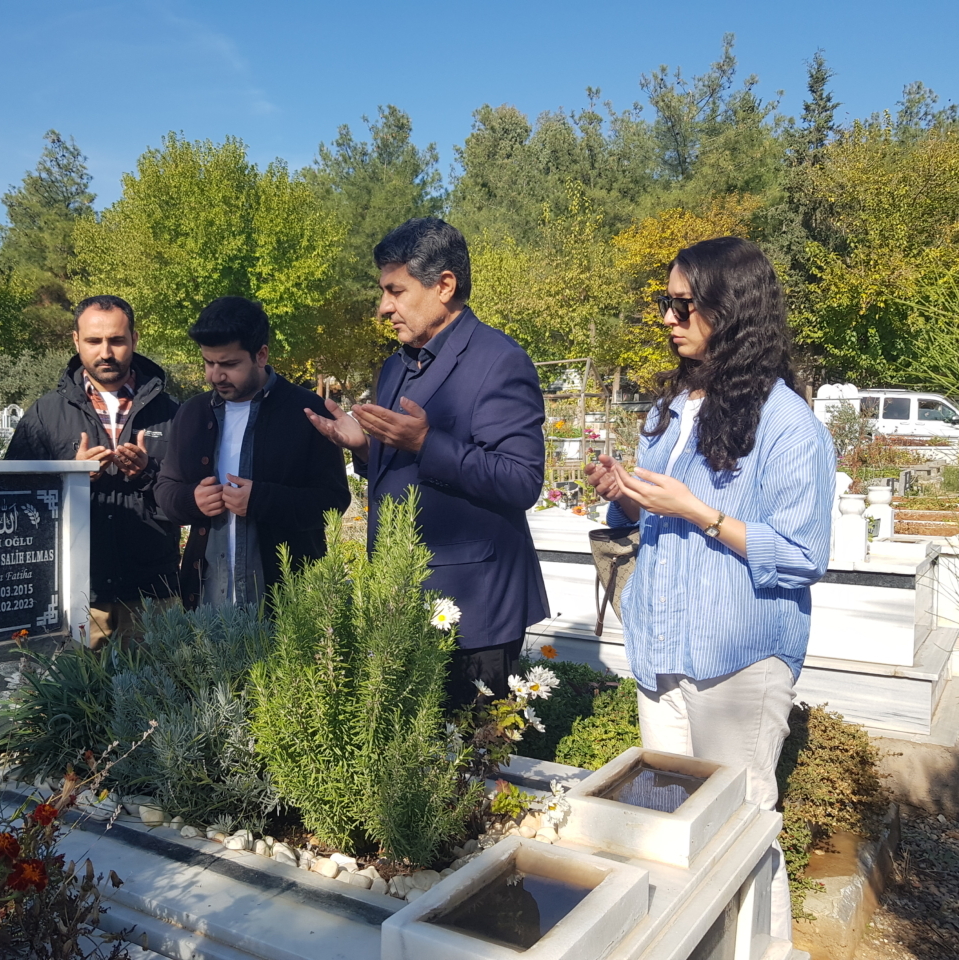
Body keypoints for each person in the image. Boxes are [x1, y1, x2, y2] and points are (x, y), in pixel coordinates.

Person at [584, 236, 836, 940]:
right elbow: (646, 516)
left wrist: (700, 512)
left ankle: (767, 949)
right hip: (662, 654)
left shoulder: (790, 426)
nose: (668, 316)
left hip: (737, 661)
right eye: (664, 302)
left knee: (744, 828)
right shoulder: (672, 411)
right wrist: (626, 494)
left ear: (732, 309)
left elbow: (803, 553)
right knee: (673, 829)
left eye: (683, 303)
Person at [306, 218, 549, 709]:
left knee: (472, 769)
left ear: (444, 286)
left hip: (473, 610)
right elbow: (406, 471)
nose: (383, 308)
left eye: (395, 291)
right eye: (383, 291)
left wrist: (427, 443)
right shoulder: (397, 365)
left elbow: (521, 480)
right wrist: (364, 447)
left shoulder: (499, 359)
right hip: (400, 599)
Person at [5, 295, 180, 645]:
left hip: (152, 595)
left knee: (155, 696)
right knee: (79, 698)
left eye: (116, 340)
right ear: (75, 340)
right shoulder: (45, 413)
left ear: (134, 339)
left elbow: (187, 499)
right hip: (75, 592)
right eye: (94, 341)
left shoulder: (172, 412)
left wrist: (147, 472)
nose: (106, 352)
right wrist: (70, 479)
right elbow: (12, 501)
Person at [154, 296, 349, 609]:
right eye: (208, 362)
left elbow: (333, 502)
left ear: (261, 355)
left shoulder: (307, 411)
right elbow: (164, 490)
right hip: (206, 606)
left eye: (229, 364)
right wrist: (191, 499)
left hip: (288, 609)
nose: (214, 376)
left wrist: (261, 500)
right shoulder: (192, 413)